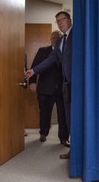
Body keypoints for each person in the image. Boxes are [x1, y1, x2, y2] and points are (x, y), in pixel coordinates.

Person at [25, 11, 73, 159]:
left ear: (69, 20)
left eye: (62, 19)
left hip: (76, 85)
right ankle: (73, 150)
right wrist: (33, 71)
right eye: (57, 21)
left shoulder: (78, 34)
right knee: (68, 116)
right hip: (63, 86)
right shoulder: (60, 42)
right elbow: (49, 60)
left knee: (69, 117)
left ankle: (70, 143)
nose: (60, 23)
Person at [29, 30, 69, 147]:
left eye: (58, 38)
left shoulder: (66, 51)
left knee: (63, 115)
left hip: (62, 89)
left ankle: (63, 137)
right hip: (45, 89)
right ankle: (43, 133)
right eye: (54, 38)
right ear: (50, 39)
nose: (56, 39)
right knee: (45, 113)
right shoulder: (43, 51)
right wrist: (32, 82)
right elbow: (35, 66)